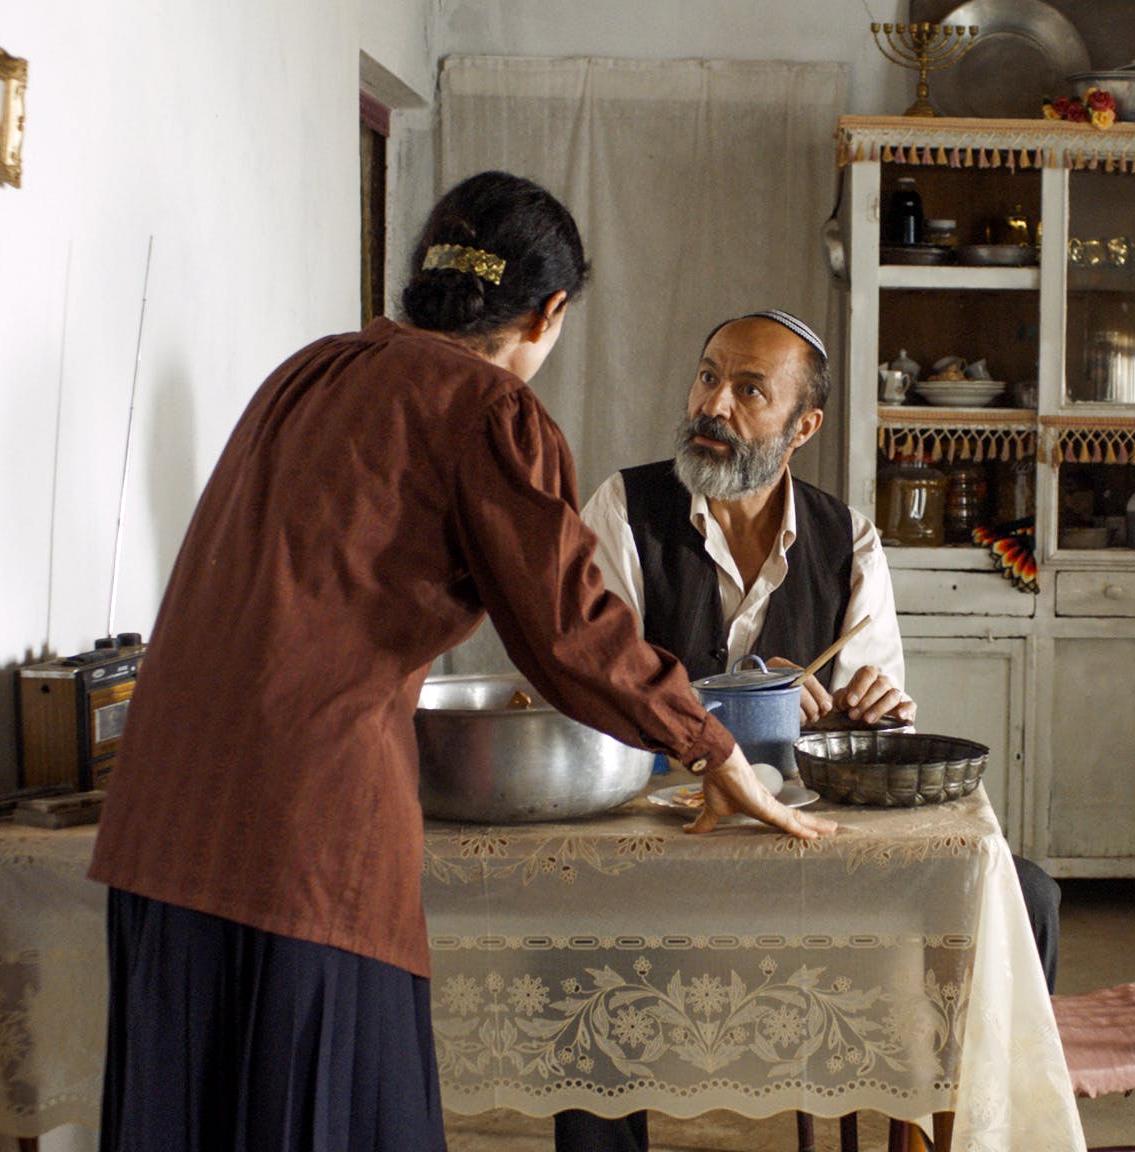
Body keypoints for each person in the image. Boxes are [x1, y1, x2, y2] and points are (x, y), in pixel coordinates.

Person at [86, 172, 834, 1152]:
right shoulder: (483, 408)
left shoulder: (308, 370)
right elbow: (569, 632)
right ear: (550, 311)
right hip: (301, 835)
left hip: (156, 818)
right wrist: (710, 746)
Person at [563, 310, 1062, 1152]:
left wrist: (873, 707)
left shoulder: (849, 538)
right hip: (668, 838)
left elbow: (887, 727)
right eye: (707, 375)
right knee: (575, 936)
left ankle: (957, 1129)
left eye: (749, 389)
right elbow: (592, 686)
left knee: (1029, 894)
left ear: (804, 426)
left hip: (811, 846)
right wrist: (736, 709)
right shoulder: (623, 508)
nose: (713, 404)